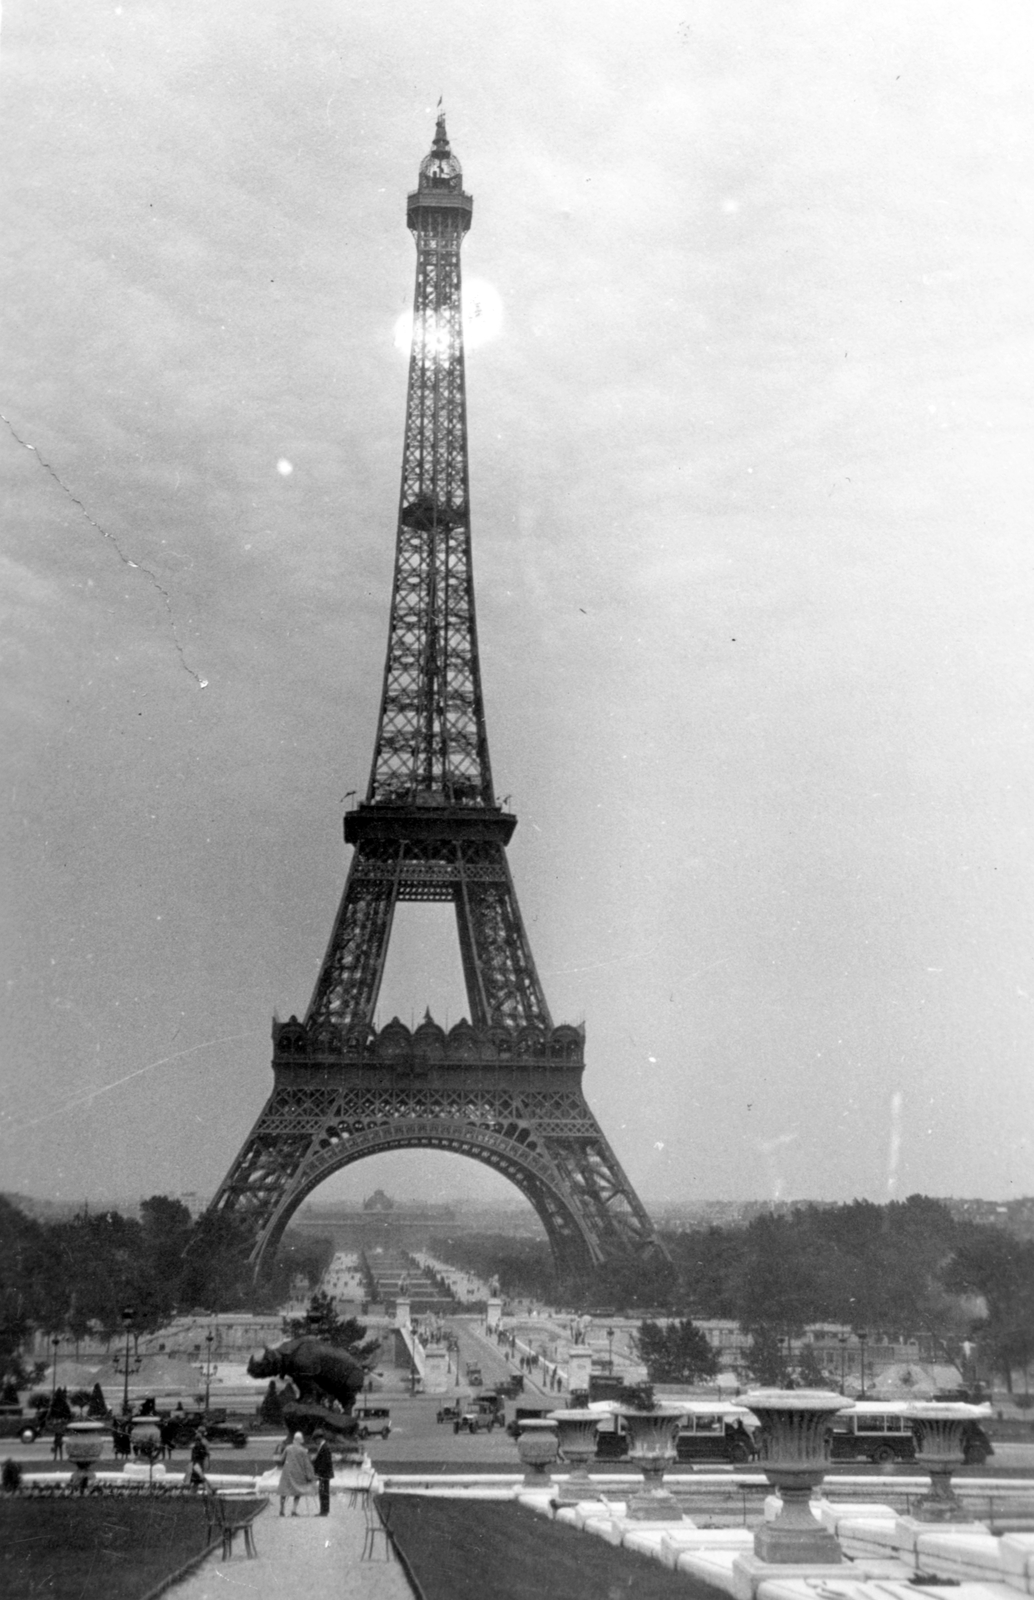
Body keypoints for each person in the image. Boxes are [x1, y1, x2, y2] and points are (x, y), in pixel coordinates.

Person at [277, 1430, 316, 1516]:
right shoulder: (303, 1451)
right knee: (298, 1491)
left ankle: (282, 1509)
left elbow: (281, 1460)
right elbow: (307, 1465)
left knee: (284, 1491)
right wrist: (310, 1475)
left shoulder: (288, 1448)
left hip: (287, 1473)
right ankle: (293, 1510)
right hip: (298, 1473)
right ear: (301, 1440)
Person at [311, 1430, 334, 1517]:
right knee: (323, 1492)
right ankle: (324, 1510)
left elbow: (324, 1462)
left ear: (319, 1439)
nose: (315, 1442)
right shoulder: (323, 1446)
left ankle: (324, 1511)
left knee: (323, 1493)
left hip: (324, 1474)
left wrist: (318, 1473)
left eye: (315, 1440)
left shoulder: (325, 1447)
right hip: (324, 1474)